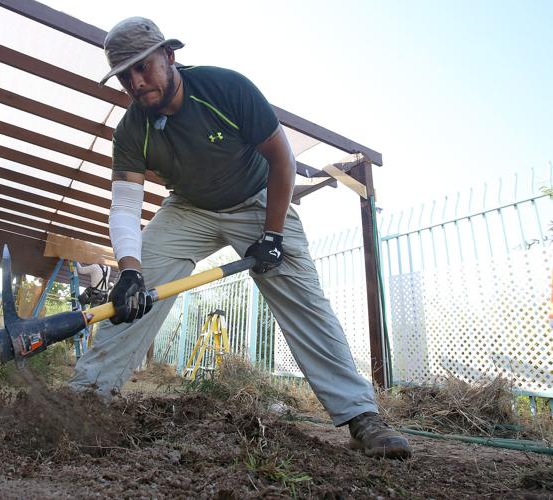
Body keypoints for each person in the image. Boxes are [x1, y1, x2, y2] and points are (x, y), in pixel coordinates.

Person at [70, 17, 411, 459]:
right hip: (189, 208)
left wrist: (272, 236)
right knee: (135, 293)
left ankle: (362, 415)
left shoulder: (225, 88)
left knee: (302, 298)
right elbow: (125, 205)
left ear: (169, 57)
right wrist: (130, 271)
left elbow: (282, 161)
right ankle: (86, 396)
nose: (136, 83)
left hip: (257, 200)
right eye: (125, 75)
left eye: (143, 67)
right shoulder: (131, 129)